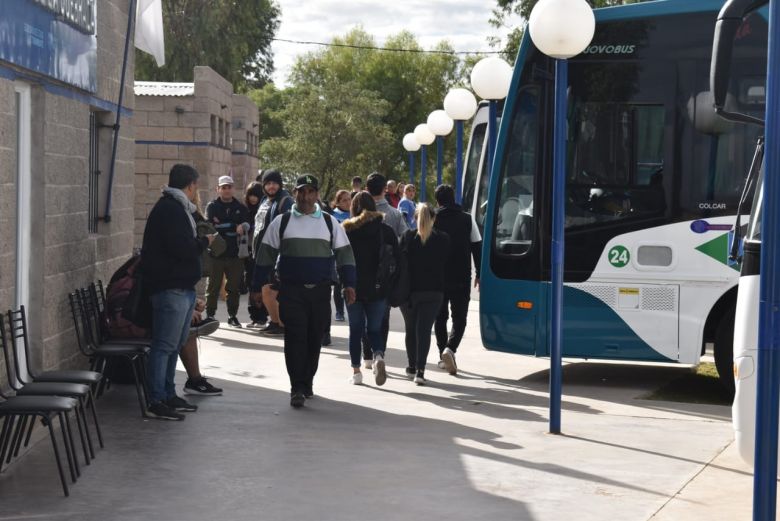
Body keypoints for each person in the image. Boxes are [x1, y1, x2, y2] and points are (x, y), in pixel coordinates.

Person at [252, 174, 357, 408]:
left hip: (320, 292)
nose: (306, 197)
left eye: (310, 192)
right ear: (295, 193)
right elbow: (265, 254)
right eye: (301, 192)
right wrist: (257, 287)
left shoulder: (330, 222)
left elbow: (345, 254)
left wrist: (350, 283)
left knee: (314, 338)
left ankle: (307, 380)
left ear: (317, 195)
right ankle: (296, 387)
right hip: (292, 291)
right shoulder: (282, 221)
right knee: (295, 337)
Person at [141, 163, 216, 420]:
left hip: (182, 288)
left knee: (173, 346)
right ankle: (155, 400)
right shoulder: (170, 210)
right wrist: (205, 241)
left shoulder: (179, 208)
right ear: (191, 185)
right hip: (169, 288)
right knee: (163, 346)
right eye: (196, 186)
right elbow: (181, 248)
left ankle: (168, 393)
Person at [342, 192, 398, 386]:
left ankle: (357, 372)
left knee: (355, 330)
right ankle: (379, 356)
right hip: (378, 288)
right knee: (374, 329)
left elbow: (341, 260)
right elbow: (396, 260)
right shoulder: (386, 231)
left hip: (353, 288)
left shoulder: (348, 231)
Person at [432, 184, 482, 375]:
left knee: (440, 317)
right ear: (454, 198)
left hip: (437, 277)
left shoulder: (432, 218)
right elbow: (477, 246)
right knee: (459, 317)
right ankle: (450, 349)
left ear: (437, 201)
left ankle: (441, 356)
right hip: (461, 276)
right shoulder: (468, 219)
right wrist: (479, 273)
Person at [399, 203, 450, 385]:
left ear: (414, 218)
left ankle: (412, 366)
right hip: (434, 291)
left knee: (411, 330)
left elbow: (399, 264)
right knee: (424, 331)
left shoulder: (407, 237)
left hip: (410, 293)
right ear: (434, 218)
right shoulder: (443, 239)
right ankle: (420, 371)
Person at [362, 172, 407, 368]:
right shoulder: (395, 214)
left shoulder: (358, 213)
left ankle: (367, 356)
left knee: (364, 314)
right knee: (383, 315)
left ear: (366, 189)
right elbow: (404, 239)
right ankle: (381, 353)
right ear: (384, 190)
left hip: (363, 272)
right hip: (386, 273)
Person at [251, 169, 294, 336]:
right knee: (266, 290)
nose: (271, 186)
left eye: (274, 183)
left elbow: (286, 228)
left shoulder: (285, 200)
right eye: (268, 183)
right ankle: (275, 322)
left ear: (280, 184)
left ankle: (282, 324)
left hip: (275, 252)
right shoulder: (264, 200)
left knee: (271, 290)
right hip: (262, 251)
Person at [205, 175, 250, 328]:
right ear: (218, 189)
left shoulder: (241, 208)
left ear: (233, 189)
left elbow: (246, 225)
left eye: (229, 187)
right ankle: (210, 315)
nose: (226, 190)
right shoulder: (212, 206)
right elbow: (211, 227)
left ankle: (233, 316)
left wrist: (240, 226)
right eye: (223, 187)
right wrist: (232, 226)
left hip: (235, 255)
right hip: (216, 254)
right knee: (213, 287)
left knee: (234, 288)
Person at [244, 182, 266, 327]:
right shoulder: (244, 210)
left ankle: (263, 316)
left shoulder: (264, 210)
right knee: (251, 284)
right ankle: (254, 316)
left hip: (262, 252)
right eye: (250, 195)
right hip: (248, 252)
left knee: (261, 285)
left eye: (256, 195)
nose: (253, 198)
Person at [330, 189, 352, 322]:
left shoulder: (355, 214)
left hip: (351, 253)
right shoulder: (333, 216)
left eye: (350, 199)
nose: (348, 202)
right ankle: (339, 311)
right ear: (337, 202)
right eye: (344, 200)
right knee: (339, 284)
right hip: (337, 253)